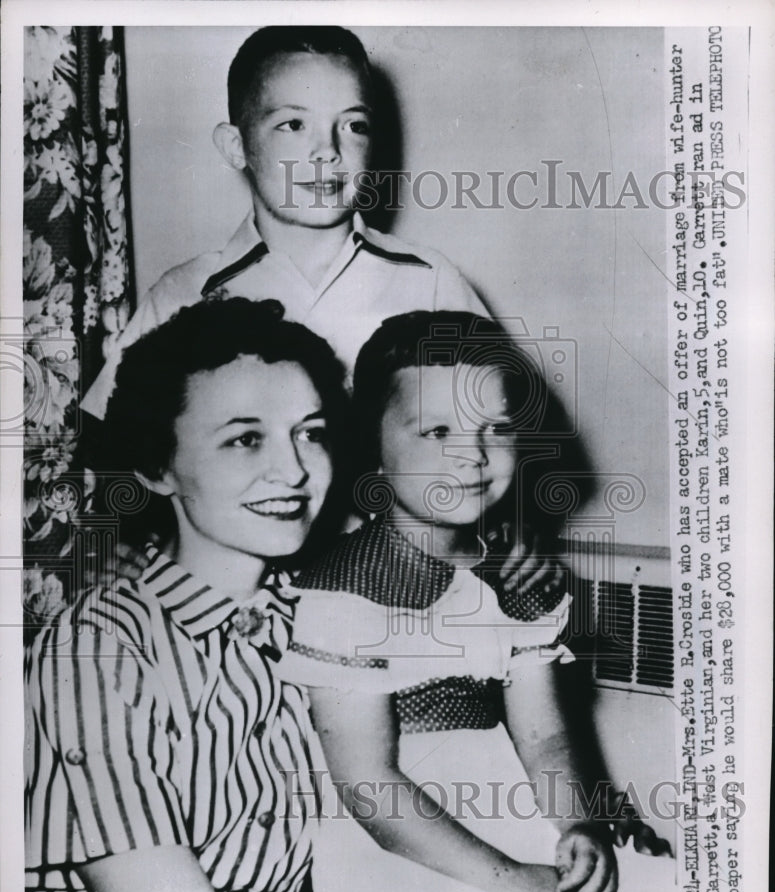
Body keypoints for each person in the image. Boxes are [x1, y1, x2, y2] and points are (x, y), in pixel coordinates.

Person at [81, 24, 557, 602]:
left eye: (352, 125)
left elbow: (500, 425)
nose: (326, 151)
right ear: (235, 145)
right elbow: (112, 442)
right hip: (238, 598)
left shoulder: (429, 280)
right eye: (292, 124)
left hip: (389, 593)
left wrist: (515, 533)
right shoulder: (186, 292)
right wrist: (120, 540)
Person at [276, 311, 675, 892]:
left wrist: (578, 825)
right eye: (437, 431)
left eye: (496, 428)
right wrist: (516, 882)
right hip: (404, 853)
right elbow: (369, 785)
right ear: (371, 444)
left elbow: (544, 738)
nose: (472, 454)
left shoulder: (514, 578)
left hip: (513, 813)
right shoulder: (346, 590)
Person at [24, 297, 351, 892]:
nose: (293, 471)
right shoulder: (98, 647)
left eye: (310, 433)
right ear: (157, 466)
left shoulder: (319, 613)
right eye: (245, 439)